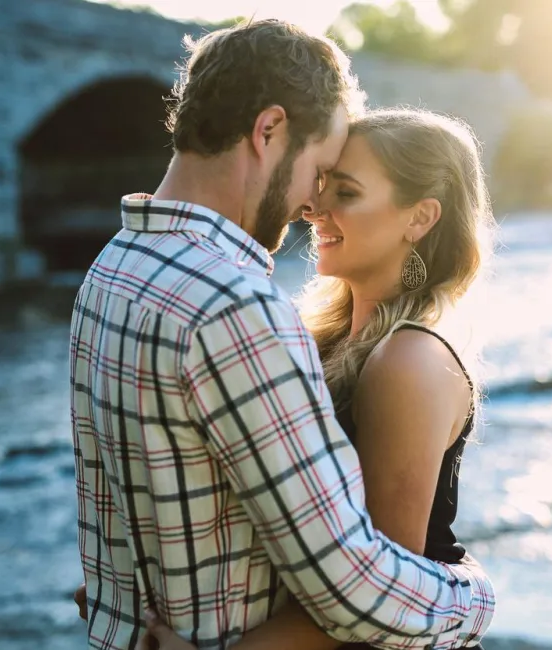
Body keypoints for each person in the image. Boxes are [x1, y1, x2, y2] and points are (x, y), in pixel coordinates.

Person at [68, 18, 495, 650]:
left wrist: (118, 604)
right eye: (320, 171)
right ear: (268, 131)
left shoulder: (113, 270)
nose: (311, 204)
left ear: (420, 219)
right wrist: (474, 595)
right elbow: (364, 591)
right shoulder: (237, 308)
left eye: (339, 187)